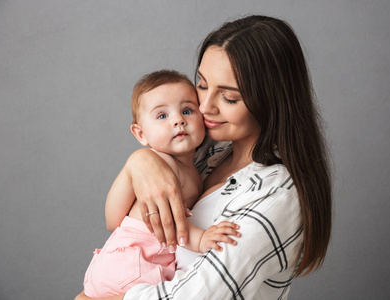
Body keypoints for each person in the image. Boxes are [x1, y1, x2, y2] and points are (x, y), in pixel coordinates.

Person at [76, 14, 331, 300]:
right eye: (202, 84)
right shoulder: (208, 155)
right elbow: (119, 219)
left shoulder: (275, 195)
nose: (204, 107)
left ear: (272, 101)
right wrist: (140, 161)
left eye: (229, 98)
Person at [82, 70, 241, 298]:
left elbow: (113, 222)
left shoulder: (198, 165)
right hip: (134, 266)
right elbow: (162, 221)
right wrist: (202, 239)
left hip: (122, 264)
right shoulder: (162, 165)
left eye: (187, 110)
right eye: (162, 116)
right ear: (141, 134)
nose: (178, 120)